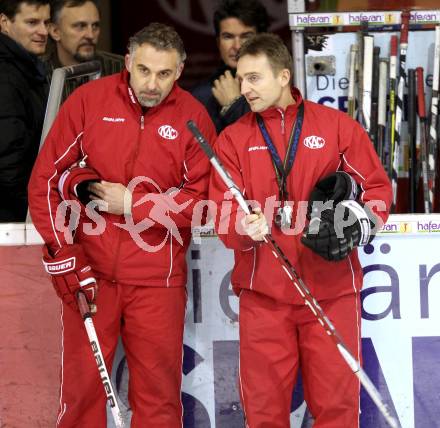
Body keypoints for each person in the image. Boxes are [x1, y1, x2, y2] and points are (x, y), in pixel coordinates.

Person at [28, 22, 216, 427]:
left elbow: (203, 202)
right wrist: (65, 255)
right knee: (81, 395)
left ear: (179, 72)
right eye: (144, 70)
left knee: (159, 399)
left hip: (157, 282)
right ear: (128, 61)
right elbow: (45, 180)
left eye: (164, 74)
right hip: (91, 274)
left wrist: (135, 203)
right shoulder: (89, 101)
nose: (152, 83)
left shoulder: (194, 118)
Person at [209, 33, 393, 427]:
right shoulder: (232, 139)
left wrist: (359, 224)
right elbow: (222, 213)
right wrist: (242, 225)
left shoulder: (337, 127)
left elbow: (378, 190)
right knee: (263, 416)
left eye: (254, 78)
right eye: (241, 79)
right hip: (264, 299)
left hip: (331, 293)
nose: (245, 89)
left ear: (283, 77)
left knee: (337, 412)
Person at [0, 0, 50, 221]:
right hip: (13, 220)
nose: (43, 31)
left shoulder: (27, 67)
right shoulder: (6, 76)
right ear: (4, 22)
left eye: (46, 22)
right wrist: (35, 215)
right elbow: (9, 164)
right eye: (32, 22)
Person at [191, 0, 269, 134]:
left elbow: (272, 147)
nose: (237, 46)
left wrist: (233, 106)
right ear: (218, 42)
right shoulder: (200, 97)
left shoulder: (278, 90)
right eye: (228, 37)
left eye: (246, 36)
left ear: (262, 40)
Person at [44, 0, 123, 85]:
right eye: (80, 26)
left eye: (95, 26)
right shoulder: (38, 74)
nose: (90, 35)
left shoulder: (120, 69)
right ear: (55, 31)